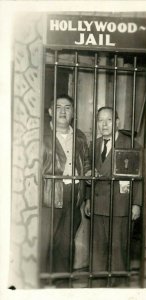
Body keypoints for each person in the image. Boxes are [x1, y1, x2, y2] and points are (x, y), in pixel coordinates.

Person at [85, 106, 142, 287]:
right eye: (100, 120)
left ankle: (119, 289)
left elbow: (139, 178)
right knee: (97, 251)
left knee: (119, 252)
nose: (104, 124)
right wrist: (88, 199)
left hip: (120, 206)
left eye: (108, 120)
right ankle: (98, 289)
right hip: (98, 205)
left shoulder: (131, 144)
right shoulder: (93, 144)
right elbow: (89, 174)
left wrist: (137, 204)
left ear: (117, 122)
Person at [41, 94, 90, 286]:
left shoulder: (79, 136)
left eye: (67, 107)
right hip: (48, 193)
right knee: (45, 240)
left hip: (73, 194)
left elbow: (85, 162)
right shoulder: (41, 135)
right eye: (58, 107)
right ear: (51, 111)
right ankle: (39, 282)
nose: (63, 111)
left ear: (73, 113)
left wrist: (85, 190)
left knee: (66, 241)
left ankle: (62, 282)